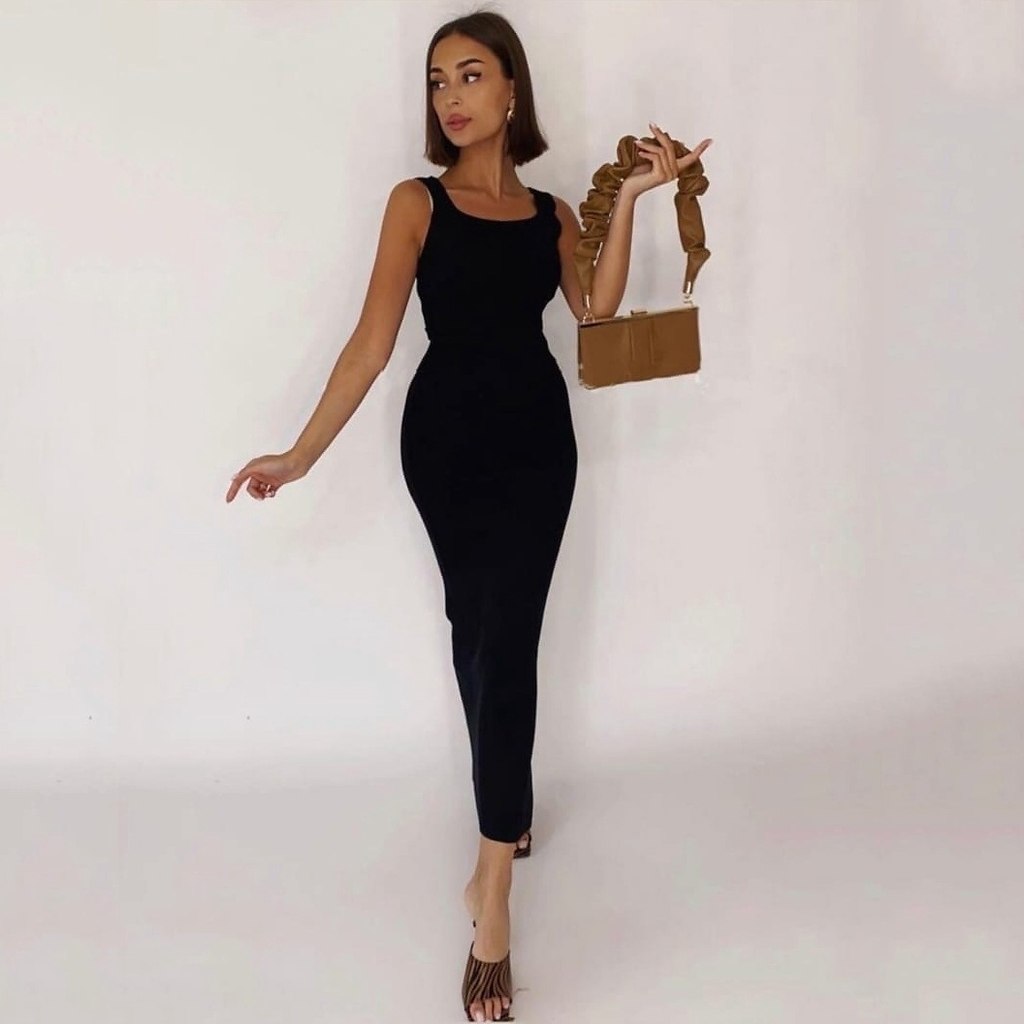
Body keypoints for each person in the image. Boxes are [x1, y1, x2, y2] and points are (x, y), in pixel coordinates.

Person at [225, 9, 711, 1021]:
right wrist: (300, 455)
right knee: (473, 627)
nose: (450, 96)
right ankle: (507, 804)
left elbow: (595, 310)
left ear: (512, 91)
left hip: (537, 446)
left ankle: (492, 888)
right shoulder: (415, 203)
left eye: (471, 75)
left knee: (510, 636)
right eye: (438, 80)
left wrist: (634, 199)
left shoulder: (550, 214)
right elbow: (370, 345)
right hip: (443, 446)